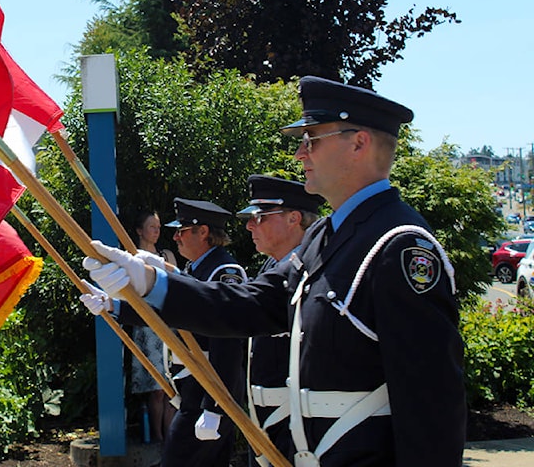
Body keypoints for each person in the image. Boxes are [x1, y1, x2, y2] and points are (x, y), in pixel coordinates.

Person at [83, 76, 465, 467]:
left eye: (311, 139)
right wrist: (153, 283)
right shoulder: (324, 238)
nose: (301, 153)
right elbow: (250, 305)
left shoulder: (397, 245)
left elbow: (431, 402)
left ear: (358, 142)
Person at [83, 198, 248, 467]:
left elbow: (226, 345)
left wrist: (215, 406)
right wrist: (113, 305)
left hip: (209, 390)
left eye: (181, 231)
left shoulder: (223, 272)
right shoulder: (196, 270)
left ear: (203, 232)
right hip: (193, 387)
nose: (174, 237)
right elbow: (162, 314)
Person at [235, 175, 321, 465]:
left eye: (259, 217)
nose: (249, 225)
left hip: (296, 425)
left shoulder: (313, 272)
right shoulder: (273, 265)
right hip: (266, 420)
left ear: (293, 218)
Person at [128, 209, 177, 443]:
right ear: (140, 230)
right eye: (152, 227)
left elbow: (178, 285)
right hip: (147, 327)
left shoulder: (166, 255)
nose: (156, 232)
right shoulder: (130, 255)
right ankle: (157, 438)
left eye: (158, 227)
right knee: (156, 388)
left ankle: (171, 437)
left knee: (172, 388)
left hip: (168, 324)